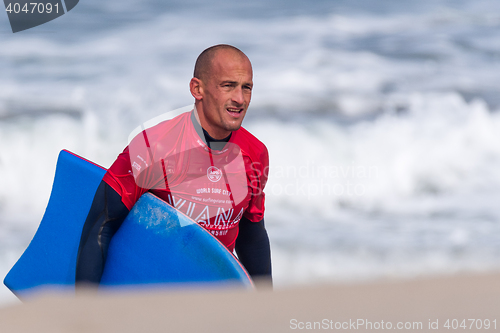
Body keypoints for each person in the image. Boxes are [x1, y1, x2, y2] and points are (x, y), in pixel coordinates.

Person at [75, 44, 272, 287]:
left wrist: (266, 307)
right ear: (197, 88)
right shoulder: (153, 148)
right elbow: (101, 225)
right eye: (228, 86)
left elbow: (252, 235)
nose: (240, 99)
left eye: (247, 88)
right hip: (155, 292)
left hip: (214, 294)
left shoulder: (255, 153)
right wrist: (84, 312)